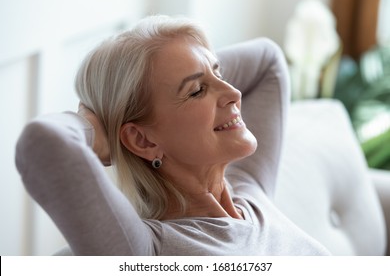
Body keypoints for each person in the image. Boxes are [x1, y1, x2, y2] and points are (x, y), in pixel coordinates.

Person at [15, 15, 330, 255]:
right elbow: (43, 144)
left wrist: (193, 65)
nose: (234, 93)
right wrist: (102, 127)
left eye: (219, 73)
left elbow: (267, 62)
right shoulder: (147, 250)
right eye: (196, 91)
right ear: (144, 140)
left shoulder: (251, 191)